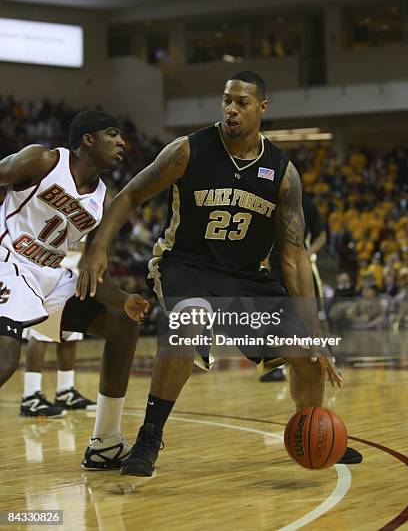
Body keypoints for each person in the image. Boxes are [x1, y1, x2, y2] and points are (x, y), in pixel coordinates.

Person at [78, 71, 362, 476]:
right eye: (226, 100)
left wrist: (313, 326)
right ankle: (148, 438)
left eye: (241, 103)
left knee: (310, 353)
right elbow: (131, 195)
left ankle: (314, 432)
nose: (231, 109)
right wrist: (99, 245)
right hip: (185, 265)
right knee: (188, 324)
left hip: (245, 277)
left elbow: (294, 256)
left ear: (261, 108)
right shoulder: (187, 151)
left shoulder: (282, 172)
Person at [0, 110, 149, 468]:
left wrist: (125, 300)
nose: (121, 143)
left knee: (122, 326)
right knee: (5, 357)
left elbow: (91, 273)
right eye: (112, 134)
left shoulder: (101, 200)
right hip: (8, 260)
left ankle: (105, 443)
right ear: (87, 140)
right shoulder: (43, 159)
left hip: (49, 277)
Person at [20, 242, 96, 418]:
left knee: (71, 334)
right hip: (51, 277)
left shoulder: (93, 218)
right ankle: (30, 396)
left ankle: (65, 391)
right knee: (40, 334)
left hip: (75, 277)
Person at [261, 193, 327, 381]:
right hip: (275, 266)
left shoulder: (307, 204)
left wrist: (306, 254)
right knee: (273, 317)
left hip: (299, 265)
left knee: (314, 314)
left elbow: (322, 235)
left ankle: (324, 356)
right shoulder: (269, 202)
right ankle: (276, 366)